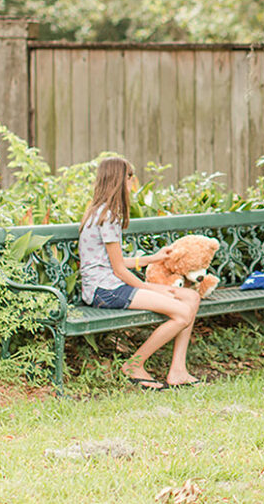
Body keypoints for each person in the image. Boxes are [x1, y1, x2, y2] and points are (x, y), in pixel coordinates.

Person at [79, 157, 202, 391]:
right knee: (182, 312)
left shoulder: (99, 212)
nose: (132, 181)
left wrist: (152, 258)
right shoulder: (108, 216)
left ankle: (178, 370)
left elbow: (113, 261)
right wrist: (149, 288)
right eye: (129, 176)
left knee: (191, 297)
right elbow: (118, 269)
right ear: (119, 180)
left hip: (108, 286)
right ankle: (134, 365)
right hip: (106, 290)